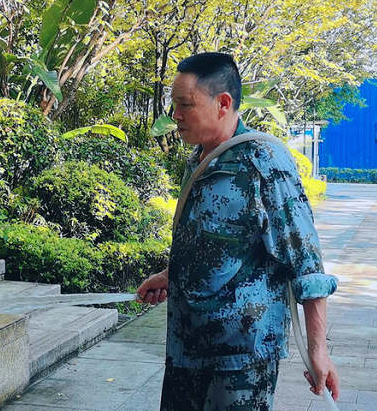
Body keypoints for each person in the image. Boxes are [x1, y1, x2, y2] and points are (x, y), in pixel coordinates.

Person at [136, 52, 340, 410]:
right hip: (186, 347)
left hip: (240, 358)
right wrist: (170, 275)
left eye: (185, 105)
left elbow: (306, 262)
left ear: (223, 103)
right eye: (174, 105)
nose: (175, 115)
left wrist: (318, 350)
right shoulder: (199, 159)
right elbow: (216, 241)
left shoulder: (264, 163)